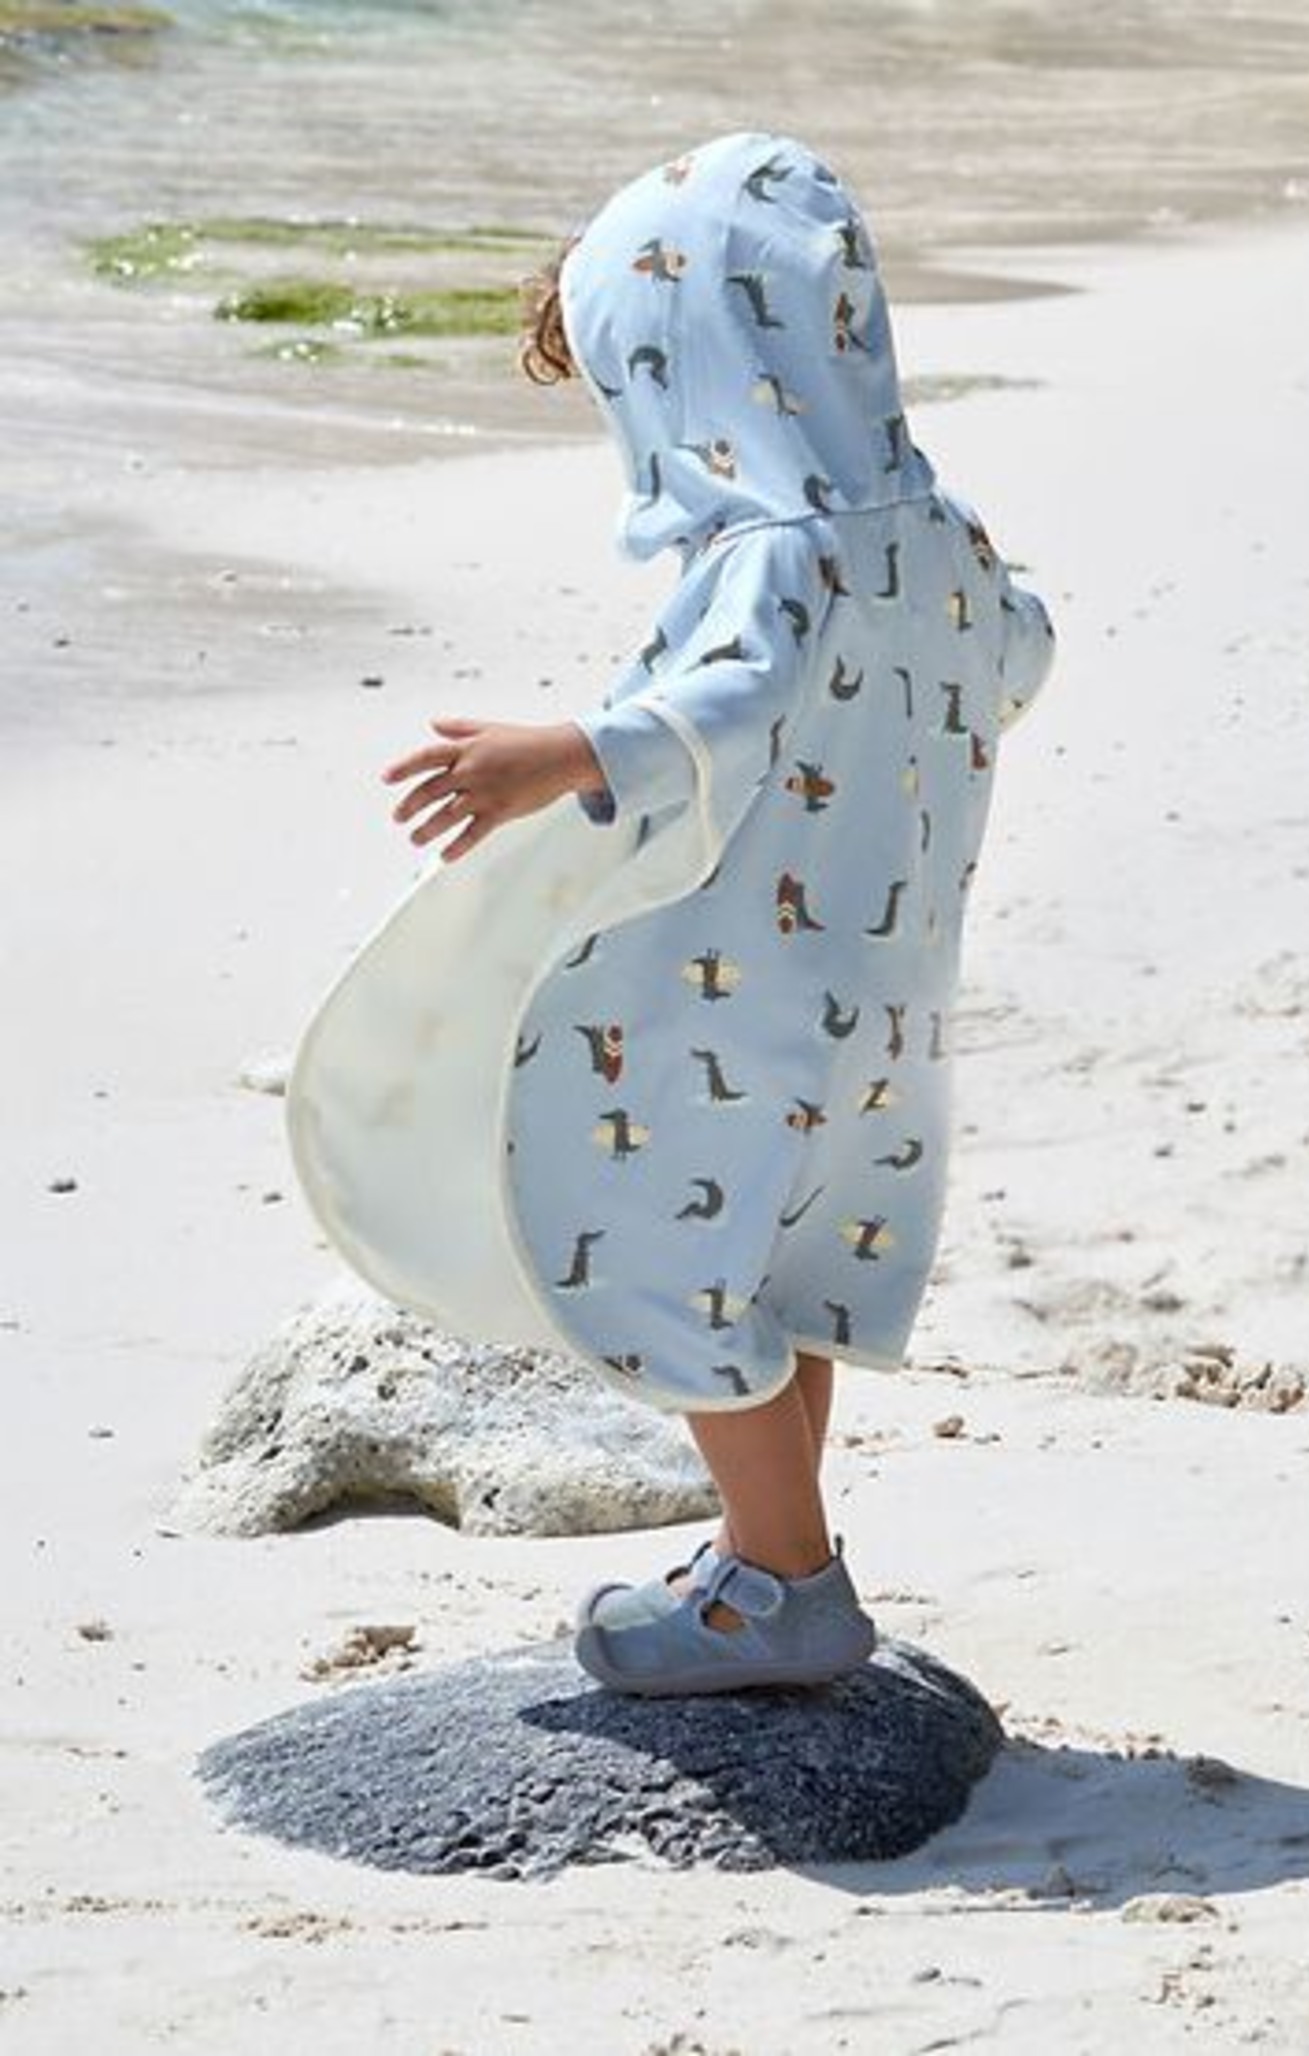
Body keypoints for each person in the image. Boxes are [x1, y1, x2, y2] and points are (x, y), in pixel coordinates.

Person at [287, 131, 1054, 1699]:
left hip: (741, 983)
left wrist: (566, 753)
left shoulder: (772, 554)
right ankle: (768, 1548)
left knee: (672, 1246)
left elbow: (735, 700)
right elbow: (1020, 649)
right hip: (883, 987)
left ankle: (789, 1587)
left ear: (700, 380)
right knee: (791, 1261)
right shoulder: (938, 531)